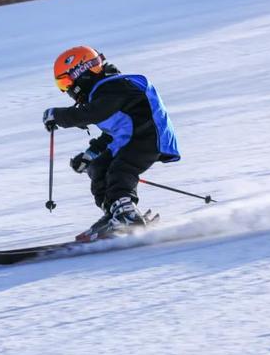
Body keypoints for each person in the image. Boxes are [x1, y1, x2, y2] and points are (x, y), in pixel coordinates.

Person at [42, 45, 181, 241]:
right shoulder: (102, 94)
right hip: (132, 138)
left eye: (66, 82)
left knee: (120, 170)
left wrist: (57, 115)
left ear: (82, 72)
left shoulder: (114, 86)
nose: (67, 91)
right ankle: (114, 212)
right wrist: (90, 155)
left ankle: (127, 215)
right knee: (98, 167)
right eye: (62, 86)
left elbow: (90, 114)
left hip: (148, 137)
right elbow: (113, 132)